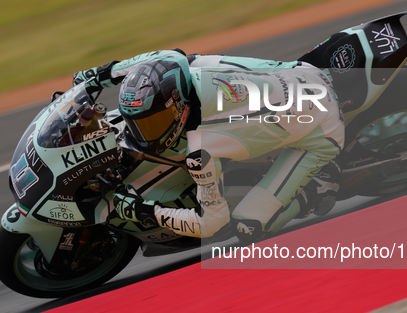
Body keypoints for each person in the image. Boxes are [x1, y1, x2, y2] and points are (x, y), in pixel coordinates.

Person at [73, 48, 344, 242]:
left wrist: (139, 211)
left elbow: (212, 223)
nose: (141, 133)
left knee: (246, 226)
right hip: (303, 73)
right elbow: (154, 60)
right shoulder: (186, 66)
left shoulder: (200, 150)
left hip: (323, 130)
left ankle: (318, 188)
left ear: (176, 107)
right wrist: (94, 77)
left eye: (152, 123)